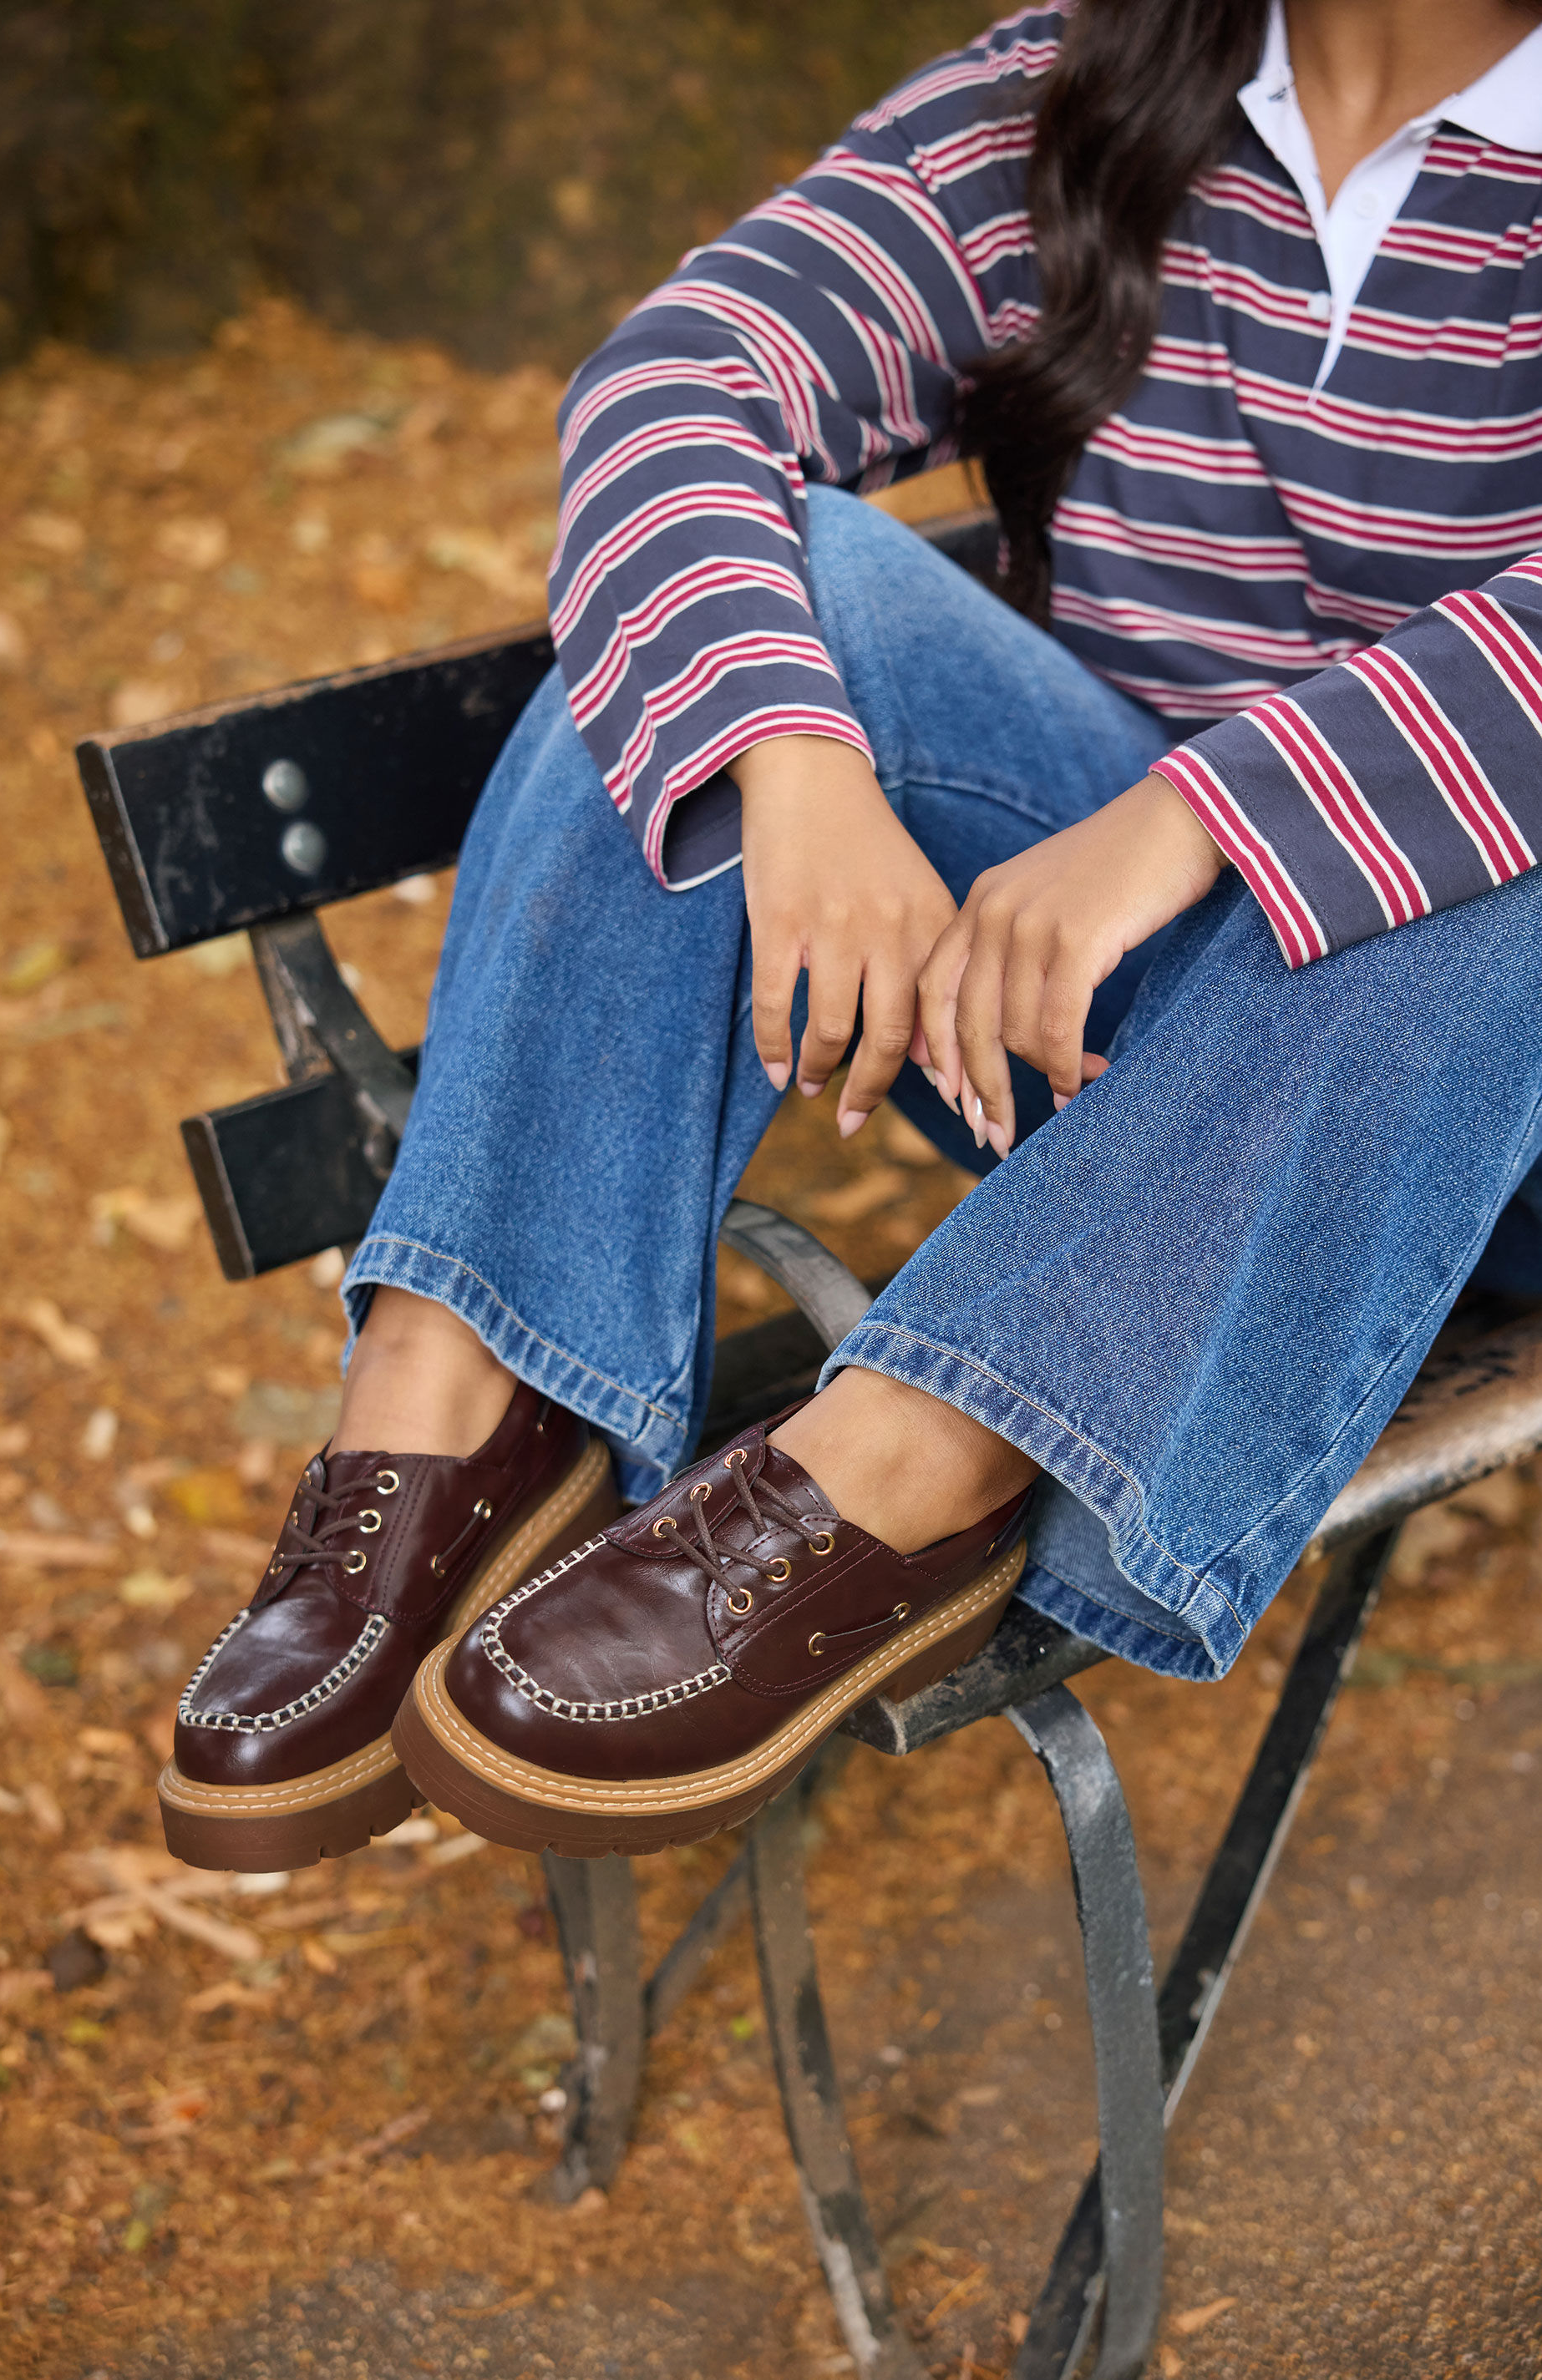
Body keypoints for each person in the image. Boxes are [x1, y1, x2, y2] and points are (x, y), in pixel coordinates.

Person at [159, 0, 1542, 1871]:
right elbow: (674, 382)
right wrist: (797, 760)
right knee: (772, 580)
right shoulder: (1085, 97)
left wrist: (1193, 815)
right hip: (1094, 1055)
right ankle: (462, 1402)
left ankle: (914, 1459)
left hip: (1488, 1112)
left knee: (1491, 864)